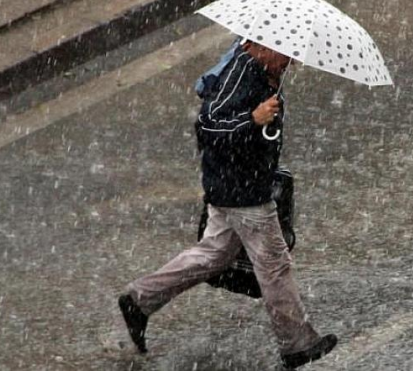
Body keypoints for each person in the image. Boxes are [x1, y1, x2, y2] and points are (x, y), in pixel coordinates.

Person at [118, 39, 337, 369]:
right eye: (286, 53)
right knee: (274, 264)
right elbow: (208, 127)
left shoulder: (258, 70)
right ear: (259, 45)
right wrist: (254, 119)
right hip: (242, 191)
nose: (292, 61)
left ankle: (140, 299)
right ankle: (297, 343)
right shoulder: (240, 73)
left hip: (236, 185)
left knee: (213, 254)